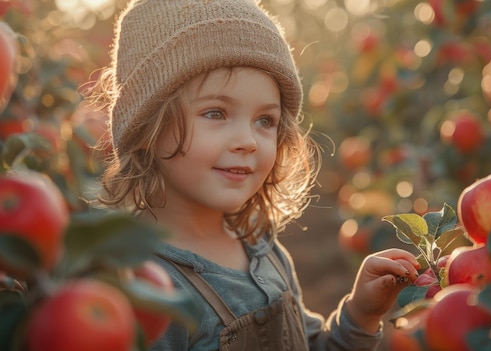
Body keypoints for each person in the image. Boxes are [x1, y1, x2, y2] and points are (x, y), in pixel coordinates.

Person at [89, 0, 420, 350]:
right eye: (216, 113)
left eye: (265, 121)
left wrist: (360, 315)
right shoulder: (144, 286)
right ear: (147, 125)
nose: (248, 141)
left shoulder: (264, 252)